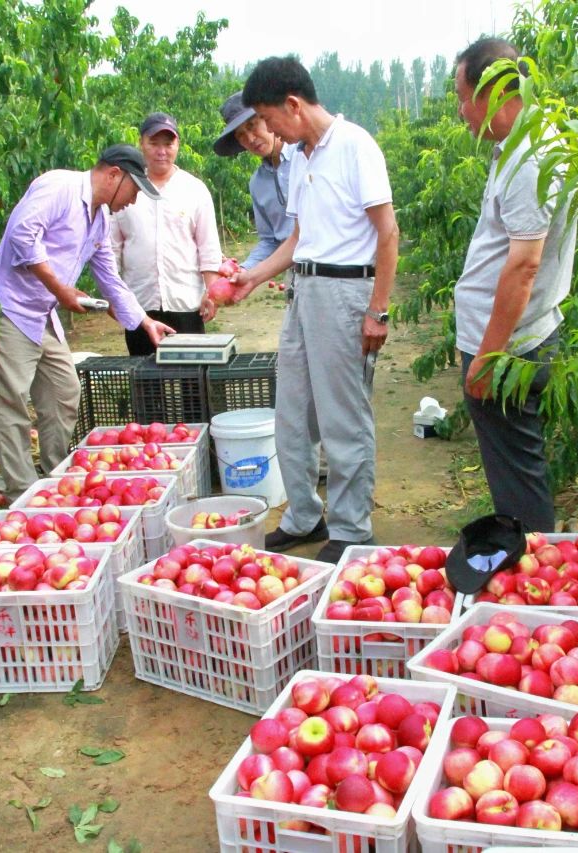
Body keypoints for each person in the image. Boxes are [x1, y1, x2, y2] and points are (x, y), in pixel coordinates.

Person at [228, 57, 400, 564]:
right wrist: (253, 276)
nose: (270, 131)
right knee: (293, 411)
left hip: (345, 294)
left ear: (293, 106)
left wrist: (379, 310)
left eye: (269, 118)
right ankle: (305, 515)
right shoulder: (301, 157)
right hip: (303, 291)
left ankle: (352, 527)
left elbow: (387, 233)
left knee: (343, 416)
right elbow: (299, 238)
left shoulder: (355, 147)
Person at [0, 145, 175, 502]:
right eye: (133, 190)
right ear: (114, 175)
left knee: (64, 390)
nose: (132, 201)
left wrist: (144, 321)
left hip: (42, 314)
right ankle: (23, 493)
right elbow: (22, 235)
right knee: (11, 405)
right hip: (10, 310)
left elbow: (109, 279)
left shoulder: (99, 220)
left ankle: (55, 477)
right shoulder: (59, 187)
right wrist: (61, 289)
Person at [453, 37, 577, 532]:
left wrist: (489, 357)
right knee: (513, 470)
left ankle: (536, 578)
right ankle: (528, 562)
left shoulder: (530, 159)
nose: (462, 112)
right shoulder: (521, 149)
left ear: (495, 89)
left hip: (511, 348)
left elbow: (524, 266)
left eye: (463, 97)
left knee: (519, 479)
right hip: (512, 339)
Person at [110, 112, 222, 355]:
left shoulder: (194, 190)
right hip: (140, 306)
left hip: (186, 304)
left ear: (178, 145)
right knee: (147, 383)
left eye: (168, 144)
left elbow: (208, 247)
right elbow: (112, 249)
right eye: (154, 143)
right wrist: (114, 296)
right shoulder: (126, 189)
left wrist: (212, 293)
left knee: (192, 383)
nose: (162, 151)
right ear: (142, 144)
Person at [213, 92, 297, 266]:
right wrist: (244, 270)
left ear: (267, 119)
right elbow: (270, 240)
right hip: (296, 276)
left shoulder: (305, 157)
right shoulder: (258, 183)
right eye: (241, 135)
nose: (250, 139)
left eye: (252, 126)